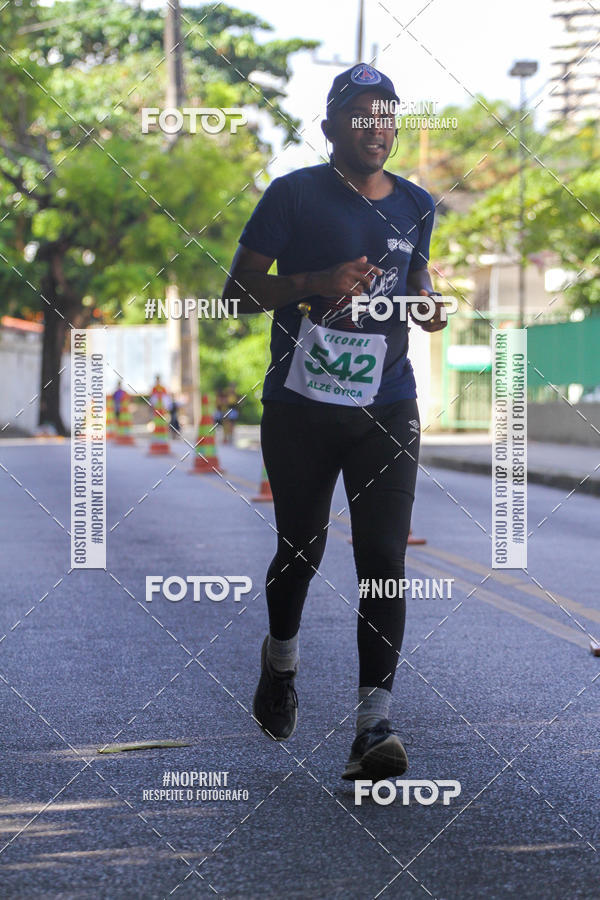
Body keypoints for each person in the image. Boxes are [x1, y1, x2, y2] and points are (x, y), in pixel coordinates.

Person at [222, 63, 447, 781]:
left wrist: (430, 302)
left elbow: (418, 280)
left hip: (387, 406)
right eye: (360, 115)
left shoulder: (415, 203)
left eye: (387, 115)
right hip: (300, 409)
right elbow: (235, 295)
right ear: (331, 128)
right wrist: (314, 283)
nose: (376, 127)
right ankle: (280, 660)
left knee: (383, 559)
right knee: (301, 551)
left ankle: (373, 726)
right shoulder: (292, 195)